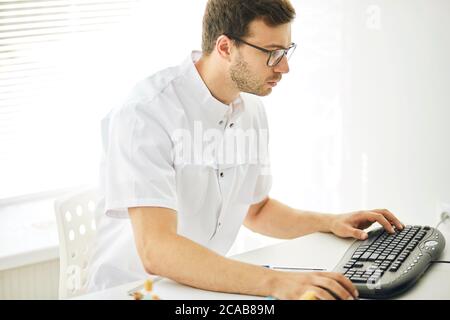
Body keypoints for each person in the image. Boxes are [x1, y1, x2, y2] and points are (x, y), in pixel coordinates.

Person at [88, 0, 404, 300]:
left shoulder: (249, 109)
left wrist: (331, 222)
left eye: (286, 51)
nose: (284, 68)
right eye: (271, 53)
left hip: (195, 287)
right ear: (225, 47)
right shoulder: (145, 113)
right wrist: (278, 282)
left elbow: (256, 210)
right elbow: (157, 250)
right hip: (134, 291)